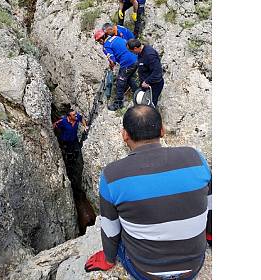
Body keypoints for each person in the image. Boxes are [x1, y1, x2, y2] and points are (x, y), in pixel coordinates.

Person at [84, 105, 212, 280]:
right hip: (193, 267)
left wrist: (108, 259)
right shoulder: (195, 158)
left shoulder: (112, 175)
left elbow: (110, 227)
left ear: (125, 135)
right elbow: (210, 206)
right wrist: (210, 236)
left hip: (145, 272)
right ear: (162, 130)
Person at [93, 29, 139, 111]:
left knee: (120, 82)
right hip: (136, 58)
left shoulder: (106, 46)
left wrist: (111, 66)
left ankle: (118, 103)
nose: (99, 43)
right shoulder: (116, 37)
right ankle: (138, 93)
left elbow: (112, 61)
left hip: (127, 62)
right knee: (128, 78)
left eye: (98, 41)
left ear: (101, 39)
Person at [53, 109, 88, 188]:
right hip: (66, 142)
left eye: (75, 114)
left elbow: (81, 118)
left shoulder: (77, 117)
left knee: (76, 151)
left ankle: (74, 161)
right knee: (68, 154)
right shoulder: (63, 121)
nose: (76, 116)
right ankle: (69, 164)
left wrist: (85, 126)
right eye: (73, 115)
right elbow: (55, 125)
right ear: (69, 116)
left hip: (74, 139)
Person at [127, 39, 164, 107]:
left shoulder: (149, 55)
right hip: (145, 83)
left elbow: (157, 72)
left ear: (135, 48)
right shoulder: (140, 52)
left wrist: (147, 81)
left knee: (150, 106)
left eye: (131, 51)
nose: (132, 53)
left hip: (154, 85)